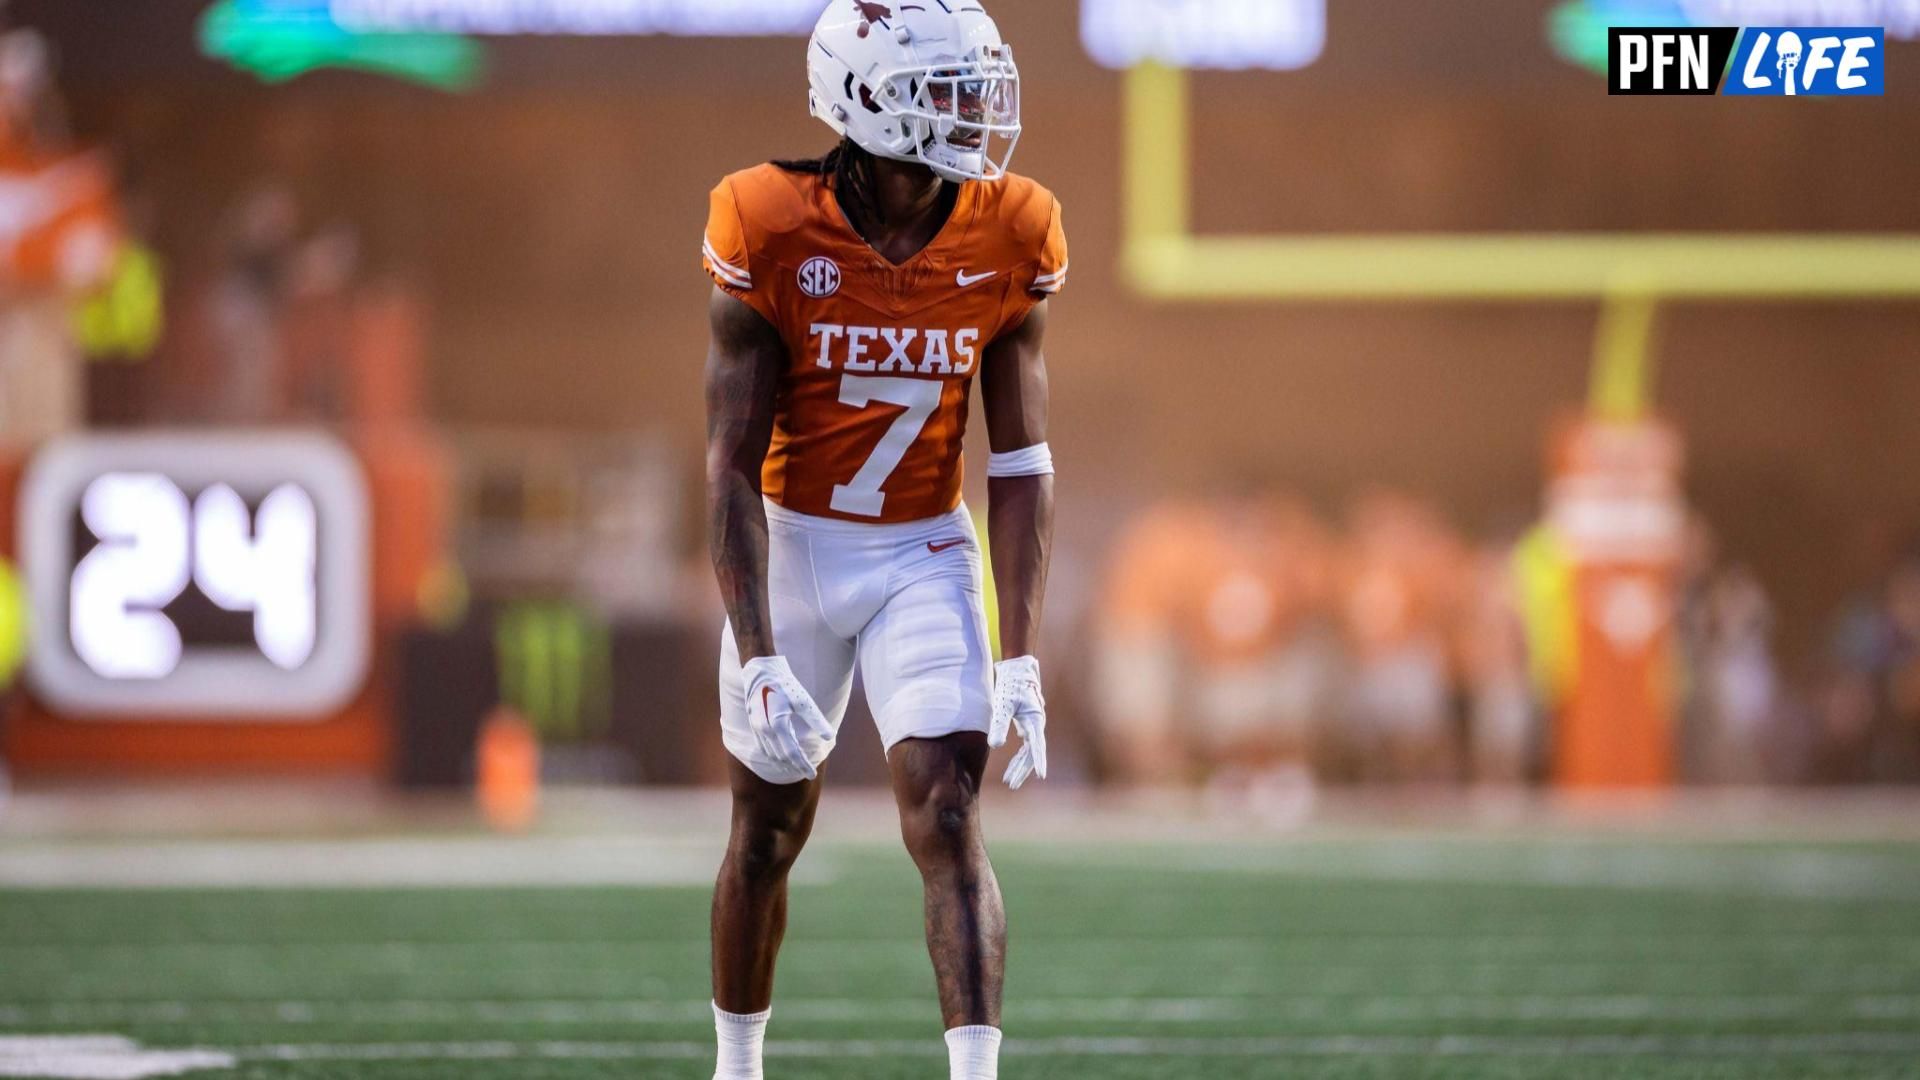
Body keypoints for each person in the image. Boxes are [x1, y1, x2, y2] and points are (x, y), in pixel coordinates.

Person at [700, 3, 1061, 1077]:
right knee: (767, 833)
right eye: (947, 87)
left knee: (948, 814)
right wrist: (757, 648)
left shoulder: (1012, 228)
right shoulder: (766, 222)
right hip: (798, 544)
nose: (974, 110)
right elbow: (728, 462)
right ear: (863, 98)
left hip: (921, 549)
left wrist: (1023, 650)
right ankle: (736, 1065)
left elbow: (1021, 461)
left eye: (975, 84)